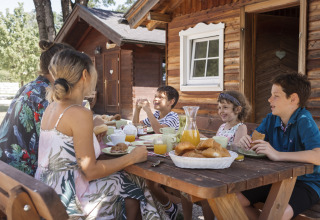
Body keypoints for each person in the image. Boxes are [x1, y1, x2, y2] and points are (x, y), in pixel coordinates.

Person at [34, 49, 167, 219]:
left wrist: (91, 133)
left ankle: (165, 212)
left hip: (48, 190)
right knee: (134, 183)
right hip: (68, 200)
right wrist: (132, 157)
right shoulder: (80, 113)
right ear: (84, 75)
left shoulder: (51, 107)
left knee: (125, 179)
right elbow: (90, 171)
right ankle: (165, 212)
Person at [238, 73, 320, 219]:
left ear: (293, 99)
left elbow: (318, 155)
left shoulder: (304, 121)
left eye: (276, 95)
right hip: (275, 179)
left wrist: (277, 154)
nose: (269, 99)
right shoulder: (271, 119)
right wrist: (246, 142)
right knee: (235, 200)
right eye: (271, 95)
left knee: (276, 215)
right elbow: (254, 142)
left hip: (306, 183)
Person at [0, 40, 72, 176]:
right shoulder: (46, 94)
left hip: (6, 171)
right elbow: (58, 147)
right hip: (24, 177)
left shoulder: (30, 87)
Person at [181, 91, 252, 220]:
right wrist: (202, 138)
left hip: (229, 170)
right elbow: (215, 144)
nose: (221, 111)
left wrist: (213, 143)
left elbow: (236, 150)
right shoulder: (222, 126)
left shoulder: (241, 128)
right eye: (219, 107)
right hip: (216, 165)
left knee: (207, 192)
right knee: (186, 186)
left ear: (238, 109)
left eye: (225, 107)